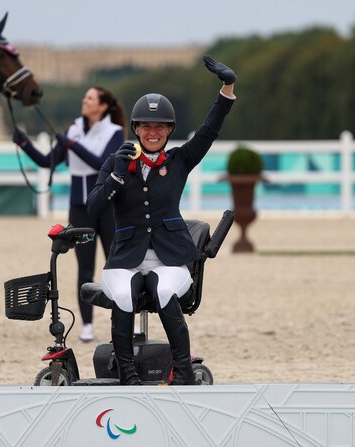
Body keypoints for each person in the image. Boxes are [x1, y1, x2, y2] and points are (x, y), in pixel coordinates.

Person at [86, 56, 237, 385]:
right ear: (136, 129)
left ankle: (182, 373)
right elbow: (93, 209)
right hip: (125, 258)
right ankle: (128, 376)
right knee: (124, 296)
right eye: (146, 126)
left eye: (160, 127)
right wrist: (114, 178)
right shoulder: (116, 161)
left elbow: (209, 131)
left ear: (169, 130)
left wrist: (227, 89)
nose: (152, 133)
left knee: (164, 290)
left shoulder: (180, 160)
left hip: (169, 257)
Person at [12, 86, 126, 342]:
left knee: (116, 265)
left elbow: (102, 163)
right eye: (84, 97)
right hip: (80, 207)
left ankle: (120, 320)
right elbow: (46, 160)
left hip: (108, 206)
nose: (84, 101)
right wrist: (23, 142)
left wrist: (72, 145)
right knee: (84, 267)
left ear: (103, 106)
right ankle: (86, 324)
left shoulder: (114, 133)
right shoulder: (73, 129)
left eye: (90, 98)